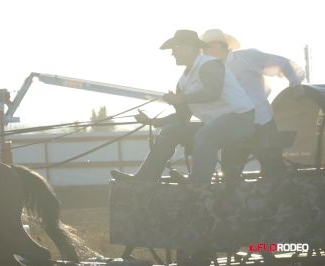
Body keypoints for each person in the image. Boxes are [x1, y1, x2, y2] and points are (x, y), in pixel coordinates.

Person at [111, 30, 255, 183]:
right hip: (215, 124)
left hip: (240, 121)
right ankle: (145, 178)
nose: (173, 54)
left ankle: (198, 183)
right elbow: (182, 117)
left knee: (205, 136)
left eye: (175, 48)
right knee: (171, 130)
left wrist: (181, 98)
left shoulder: (210, 64)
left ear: (189, 48)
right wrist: (153, 122)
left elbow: (213, 93)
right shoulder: (182, 82)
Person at [200, 29, 305, 181]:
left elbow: (282, 63)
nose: (206, 50)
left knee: (274, 169)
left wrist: (295, 84)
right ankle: (233, 202)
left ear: (222, 45)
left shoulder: (247, 57)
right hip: (234, 126)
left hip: (261, 121)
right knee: (229, 171)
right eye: (204, 48)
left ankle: (283, 201)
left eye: (210, 46)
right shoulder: (209, 71)